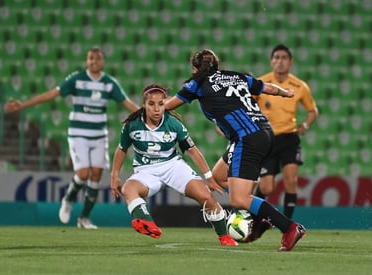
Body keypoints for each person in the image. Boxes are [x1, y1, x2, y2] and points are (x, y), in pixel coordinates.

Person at [165, 49, 306, 251]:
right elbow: (269, 88)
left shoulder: (197, 83)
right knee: (219, 176)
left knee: (239, 199)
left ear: (195, 69)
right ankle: (260, 216)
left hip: (246, 138)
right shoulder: (236, 76)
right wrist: (285, 93)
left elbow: (169, 105)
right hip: (264, 131)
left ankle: (290, 227)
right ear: (218, 66)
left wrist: (152, 105)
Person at [5, 47, 139, 229]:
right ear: (87, 61)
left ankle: (84, 218)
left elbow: (127, 103)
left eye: (97, 59)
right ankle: (68, 199)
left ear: (103, 62)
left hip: (99, 134)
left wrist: (148, 115)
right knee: (84, 173)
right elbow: (52, 93)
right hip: (79, 133)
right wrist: (23, 105)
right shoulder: (77, 79)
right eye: (90, 58)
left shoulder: (109, 83)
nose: (93, 62)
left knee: (97, 175)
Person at [110, 84, 237, 246]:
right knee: (128, 189)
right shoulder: (132, 125)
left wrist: (209, 177)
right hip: (146, 170)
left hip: (172, 166)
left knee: (205, 196)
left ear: (165, 104)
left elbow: (192, 150)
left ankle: (224, 236)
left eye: (161, 104)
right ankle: (146, 222)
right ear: (143, 105)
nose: (156, 109)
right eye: (151, 104)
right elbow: (121, 150)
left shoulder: (173, 124)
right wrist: (114, 176)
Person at [253, 44, 318, 219]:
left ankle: (288, 225)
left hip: (289, 138)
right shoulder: (261, 83)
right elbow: (246, 104)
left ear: (290, 62)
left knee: (291, 181)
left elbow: (313, 111)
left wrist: (305, 126)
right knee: (267, 188)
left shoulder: (299, 86)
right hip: (267, 138)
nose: (280, 61)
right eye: (277, 57)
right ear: (271, 61)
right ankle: (252, 217)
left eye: (284, 58)